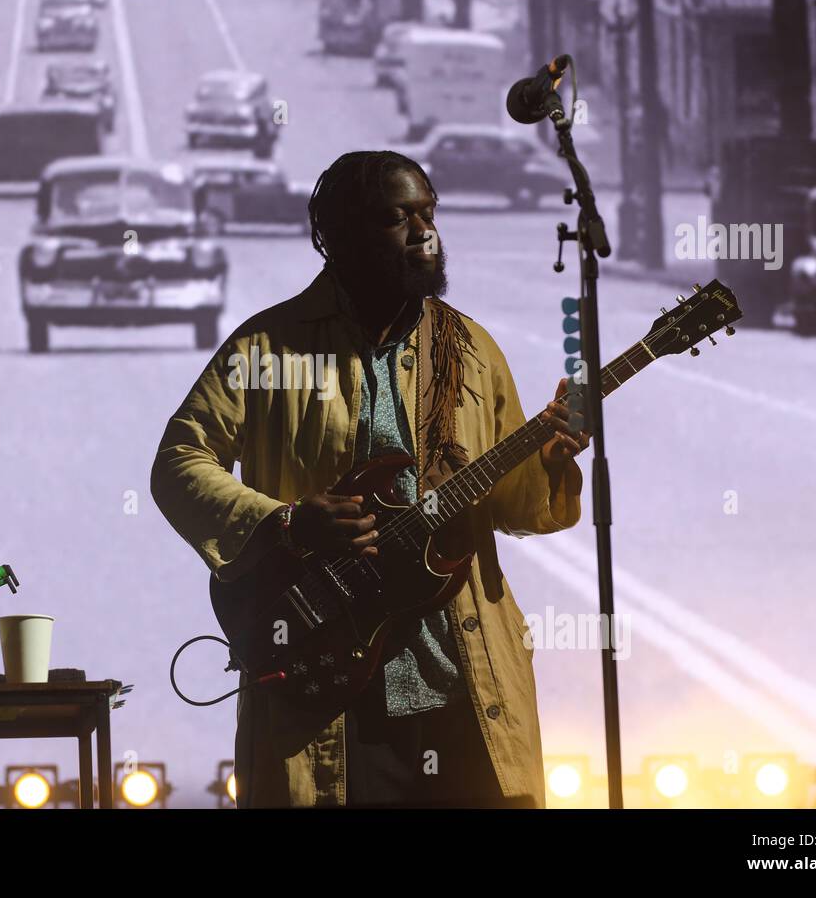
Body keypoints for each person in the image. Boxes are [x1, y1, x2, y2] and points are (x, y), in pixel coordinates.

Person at [151, 150, 588, 808]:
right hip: (328, 685)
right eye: (396, 218)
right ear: (342, 235)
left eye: (429, 214)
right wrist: (288, 523)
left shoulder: (470, 350)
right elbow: (178, 463)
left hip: (462, 684)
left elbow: (514, 505)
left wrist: (551, 464)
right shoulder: (267, 350)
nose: (423, 233)